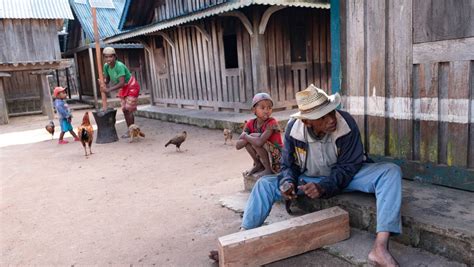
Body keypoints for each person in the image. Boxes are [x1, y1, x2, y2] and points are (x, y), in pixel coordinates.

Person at [240, 85, 402, 266]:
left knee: (390, 171)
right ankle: (239, 242)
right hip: (308, 179)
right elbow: (288, 166)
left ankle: (380, 248)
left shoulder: (345, 124)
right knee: (264, 184)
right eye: (323, 117)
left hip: (347, 177)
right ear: (307, 121)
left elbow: (349, 167)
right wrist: (287, 182)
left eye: (331, 112)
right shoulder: (294, 130)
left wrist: (324, 186)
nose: (331, 119)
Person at [237, 92, 283, 178]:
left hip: (278, 158)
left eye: (269, 108)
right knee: (250, 140)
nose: (266, 111)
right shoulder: (250, 123)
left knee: (255, 139)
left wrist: (247, 136)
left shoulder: (272, 123)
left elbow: (259, 143)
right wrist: (250, 137)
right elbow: (238, 145)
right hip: (267, 155)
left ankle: (268, 169)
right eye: (262, 108)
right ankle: (258, 164)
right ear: (254, 110)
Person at [99, 47, 141, 138]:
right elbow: (108, 79)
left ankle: (132, 131)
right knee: (125, 110)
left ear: (115, 57)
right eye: (106, 57)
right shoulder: (106, 66)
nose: (108, 59)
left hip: (131, 86)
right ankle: (130, 130)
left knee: (128, 109)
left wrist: (108, 90)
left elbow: (122, 83)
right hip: (123, 88)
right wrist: (103, 82)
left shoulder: (119, 66)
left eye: (111, 57)